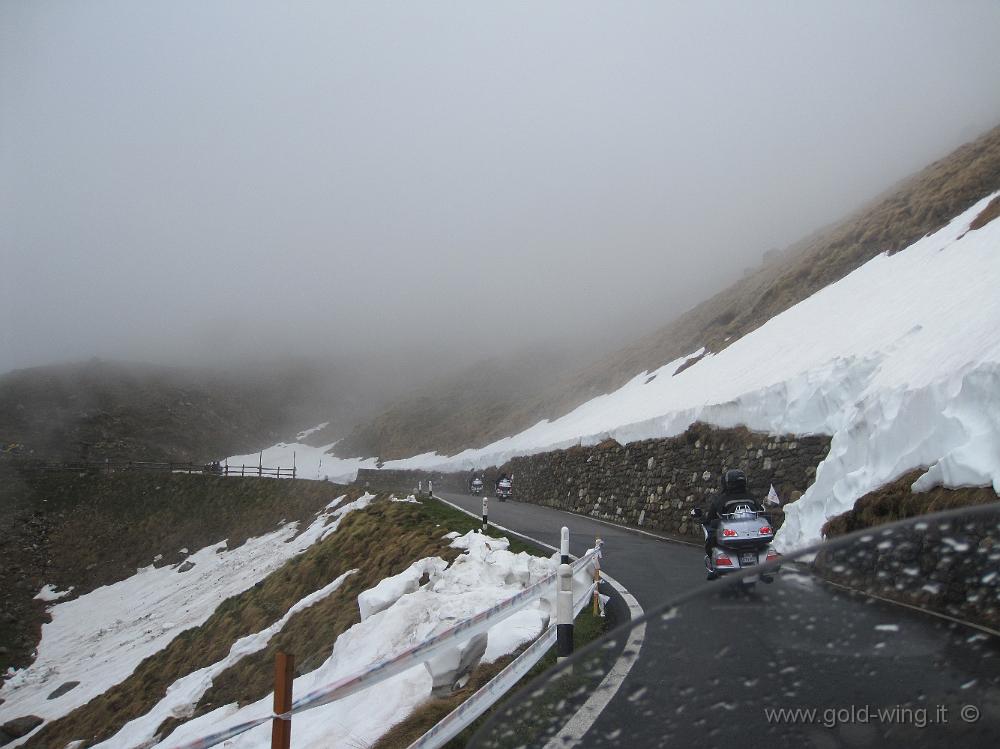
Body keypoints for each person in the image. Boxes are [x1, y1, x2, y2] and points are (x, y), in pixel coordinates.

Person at [701, 468, 763, 557]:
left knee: (711, 534)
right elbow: (760, 512)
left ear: (726, 483)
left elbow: (711, 518)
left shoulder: (721, 500)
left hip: (732, 535)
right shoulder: (751, 498)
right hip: (752, 534)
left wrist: (707, 521)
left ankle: (712, 558)